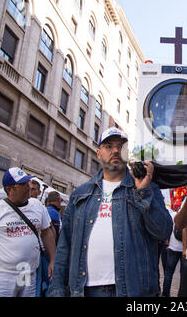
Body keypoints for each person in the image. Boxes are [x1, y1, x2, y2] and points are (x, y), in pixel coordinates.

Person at [48, 127, 173, 297]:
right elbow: (65, 245)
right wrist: (57, 289)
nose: (115, 150)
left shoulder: (146, 188)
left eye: (121, 146)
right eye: (108, 146)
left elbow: (163, 231)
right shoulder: (80, 194)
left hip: (133, 291)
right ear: (98, 153)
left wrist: (143, 192)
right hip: (84, 290)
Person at [0, 167, 56, 297]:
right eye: (22, 184)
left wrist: (53, 259)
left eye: (28, 182)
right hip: (1, 277)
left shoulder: (38, 206)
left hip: (28, 275)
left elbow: (46, 233)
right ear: (9, 189)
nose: (28, 187)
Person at [162, 209, 185, 297]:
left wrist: (167, 241)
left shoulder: (172, 215)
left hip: (173, 247)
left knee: (168, 273)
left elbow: (167, 228)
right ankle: (181, 294)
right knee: (183, 275)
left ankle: (165, 294)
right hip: (184, 248)